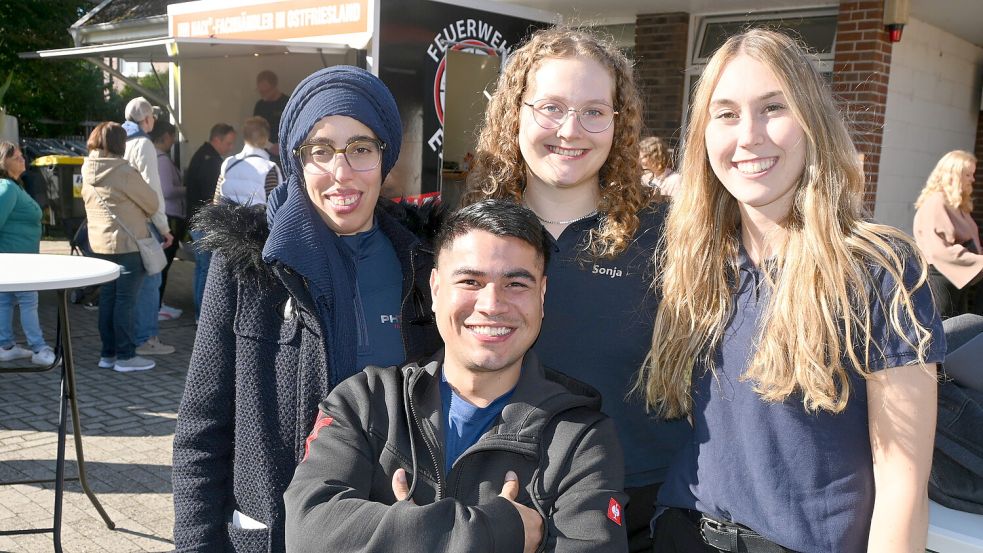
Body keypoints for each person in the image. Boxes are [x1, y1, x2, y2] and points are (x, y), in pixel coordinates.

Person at [638, 29, 944, 553]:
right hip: (682, 530)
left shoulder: (878, 268)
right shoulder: (694, 259)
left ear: (812, 122)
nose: (749, 135)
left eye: (773, 108)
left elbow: (903, 487)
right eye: (726, 113)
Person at [172, 65, 442, 553]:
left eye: (361, 148)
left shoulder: (426, 263)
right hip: (280, 534)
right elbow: (202, 432)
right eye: (321, 150)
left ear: (386, 156)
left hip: (398, 529)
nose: (341, 172)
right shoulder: (248, 267)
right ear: (297, 159)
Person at [284, 199, 628, 553]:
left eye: (516, 284)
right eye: (470, 281)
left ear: (542, 294)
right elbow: (307, 534)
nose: (492, 305)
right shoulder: (364, 402)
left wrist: (401, 534)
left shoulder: (581, 439)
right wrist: (499, 531)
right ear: (435, 289)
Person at [462, 26, 691, 552]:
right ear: (515, 111)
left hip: (642, 510)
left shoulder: (671, 235)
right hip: (502, 506)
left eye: (594, 110)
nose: (571, 129)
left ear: (619, 123)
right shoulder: (471, 234)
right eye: (551, 107)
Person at [80, 122, 160, 373]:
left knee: (108, 299)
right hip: (127, 244)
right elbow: (152, 202)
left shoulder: (87, 169)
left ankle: (108, 354)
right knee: (125, 301)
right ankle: (125, 356)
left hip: (99, 245)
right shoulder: (123, 171)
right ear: (119, 144)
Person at [122, 96, 175, 355]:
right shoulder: (143, 144)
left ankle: (128, 339)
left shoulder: (119, 139)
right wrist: (164, 227)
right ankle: (146, 340)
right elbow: (152, 189)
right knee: (151, 282)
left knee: (128, 286)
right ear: (146, 119)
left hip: (123, 221)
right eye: (152, 116)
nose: (154, 120)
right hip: (145, 222)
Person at [0, 141, 55, 366]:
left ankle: (6, 345)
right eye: (18, 157)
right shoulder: (7, 188)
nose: (23, 159)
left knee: (5, 300)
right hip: (17, 260)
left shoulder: (13, 185)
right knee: (28, 300)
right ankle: (39, 348)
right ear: (4, 162)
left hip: (16, 258)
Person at [913, 150, 982, 318]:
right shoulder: (936, 203)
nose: (972, 179)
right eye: (968, 174)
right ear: (953, 175)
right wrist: (978, 261)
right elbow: (938, 251)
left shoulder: (957, 205)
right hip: (942, 280)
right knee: (944, 331)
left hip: (957, 279)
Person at [184, 123, 236, 319]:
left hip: (195, 221)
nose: (231, 148)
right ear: (217, 140)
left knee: (200, 268)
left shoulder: (202, 154)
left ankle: (199, 313)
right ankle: (203, 316)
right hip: (204, 223)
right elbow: (211, 197)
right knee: (206, 269)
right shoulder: (211, 161)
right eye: (229, 143)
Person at [149, 119, 185, 321]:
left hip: (162, 214)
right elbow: (168, 191)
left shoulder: (151, 156)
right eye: (172, 136)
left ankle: (157, 303)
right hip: (170, 215)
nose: (174, 141)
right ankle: (157, 305)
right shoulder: (162, 159)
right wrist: (187, 189)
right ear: (166, 136)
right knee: (164, 264)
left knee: (161, 263)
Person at [213, 116, 282, 206]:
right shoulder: (268, 169)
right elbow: (275, 207)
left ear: (244, 137)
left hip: (227, 219)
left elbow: (216, 202)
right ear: (266, 138)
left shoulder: (228, 164)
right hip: (257, 220)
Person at [253, 70, 288, 159]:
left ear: (274, 87)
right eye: (260, 91)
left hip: (286, 152)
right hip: (265, 153)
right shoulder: (260, 106)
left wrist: (283, 146)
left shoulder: (288, 103)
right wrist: (269, 146)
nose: (262, 94)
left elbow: (295, 129)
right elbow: (254, 131)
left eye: (266, 91)